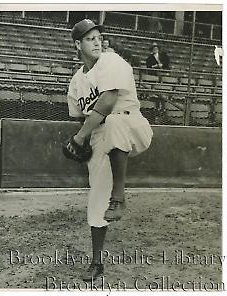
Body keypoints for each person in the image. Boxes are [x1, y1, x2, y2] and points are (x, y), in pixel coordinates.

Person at [67, 19, 153, 282]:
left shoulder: (111, 61)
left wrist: (79, 137)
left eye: (97, 37)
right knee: (96, 199)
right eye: (89, 38)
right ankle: (97, 262)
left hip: (131, 123)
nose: (96, 41)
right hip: (98, 135)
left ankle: (120, 195)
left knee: (114, 120)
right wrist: (80, 144)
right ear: (77, 44)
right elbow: (79, 118)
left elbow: (108, 100)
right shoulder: (76, 82)